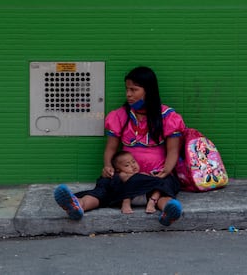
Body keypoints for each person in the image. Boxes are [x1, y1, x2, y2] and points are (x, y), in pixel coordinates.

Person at [54, 66, 185, 226]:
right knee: (104, 188)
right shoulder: (120, 116)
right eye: (127, 89)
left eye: (134, 90)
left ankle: (168, 211)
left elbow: (173, 150)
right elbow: (110, 148)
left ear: (148, 91)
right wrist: (108, 166)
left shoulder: (167, 117)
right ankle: (78, 205)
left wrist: (166, 171)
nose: (128, 94)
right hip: (125, 175)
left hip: (154, 175)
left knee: (163, 189)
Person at [110, 150, 162, 214]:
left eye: (133, 162)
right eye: (127, 165)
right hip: (130, 197)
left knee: (159, 186)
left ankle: (152, 201)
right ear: (118, 169)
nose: (132, 165)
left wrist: (149, 177)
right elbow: (131, 178)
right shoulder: (122, 174)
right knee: (131, 182)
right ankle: (126, 203)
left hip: (145, 197)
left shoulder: (141, 174)